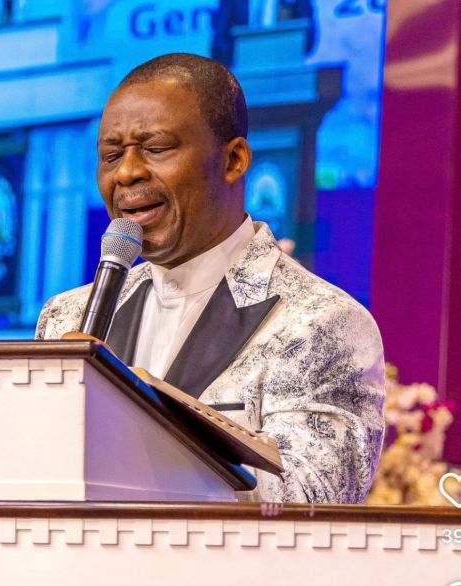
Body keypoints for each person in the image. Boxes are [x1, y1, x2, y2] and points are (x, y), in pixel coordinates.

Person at [36, 53, 385, 504]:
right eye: (111, 155)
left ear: (234, 160)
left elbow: (311, 502)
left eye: (156, 148)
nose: (127, 172)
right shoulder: (67, 317)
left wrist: (135, 446)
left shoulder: (320, 323)